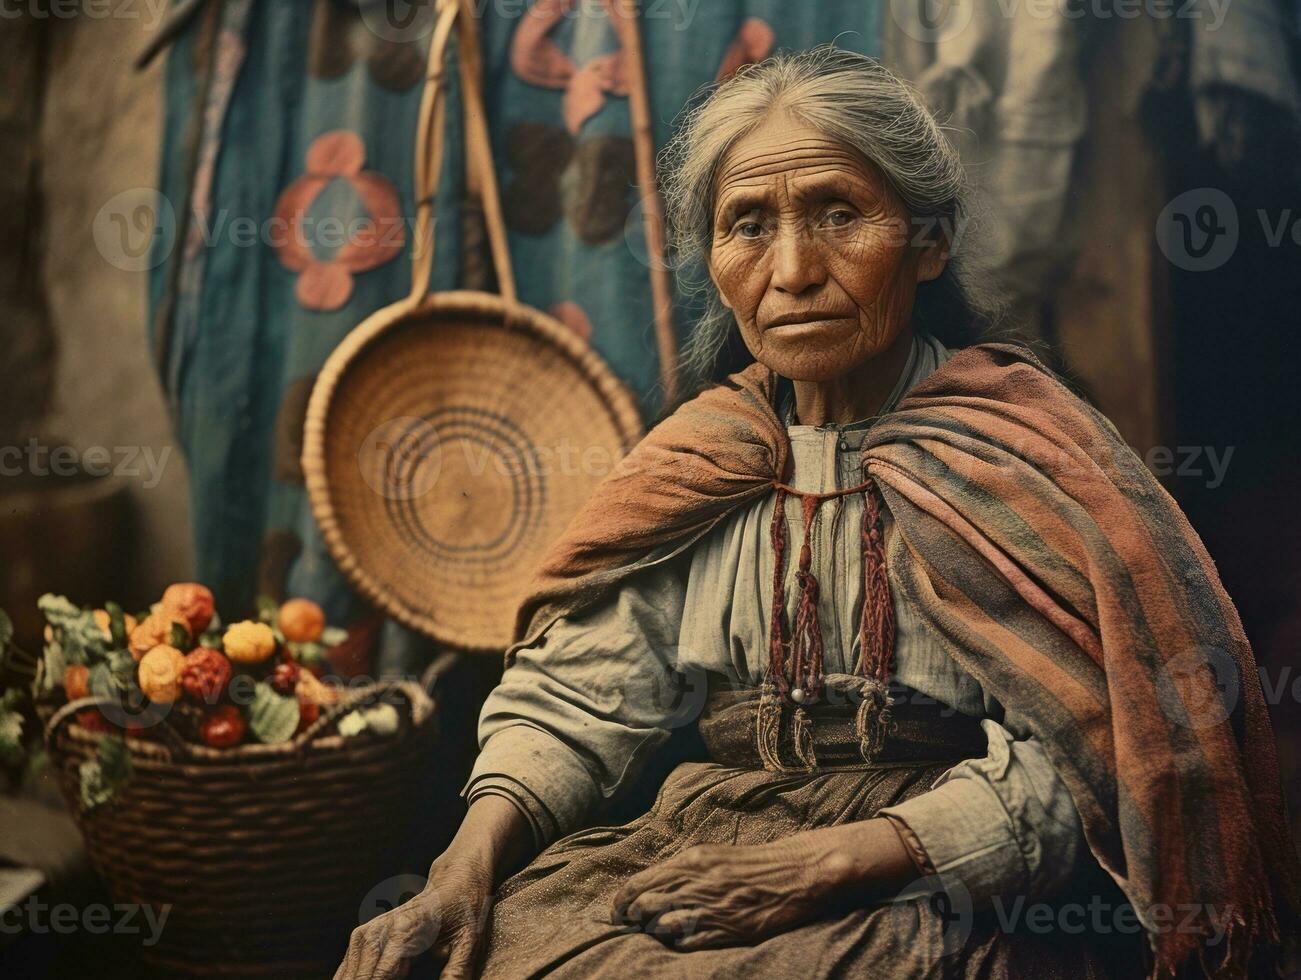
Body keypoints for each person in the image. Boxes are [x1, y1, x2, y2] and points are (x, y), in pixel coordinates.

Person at [336, 47, 1297, 979]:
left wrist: (836, 861)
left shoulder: (1027, 454)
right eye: (747, 223)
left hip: (948, 878)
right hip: (713, 837)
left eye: (838, 213)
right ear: (710, 258)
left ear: (928, 243)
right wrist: (457, 873)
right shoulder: (702, 460)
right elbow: (579, 696)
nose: (792, 268)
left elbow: (1101, 747)